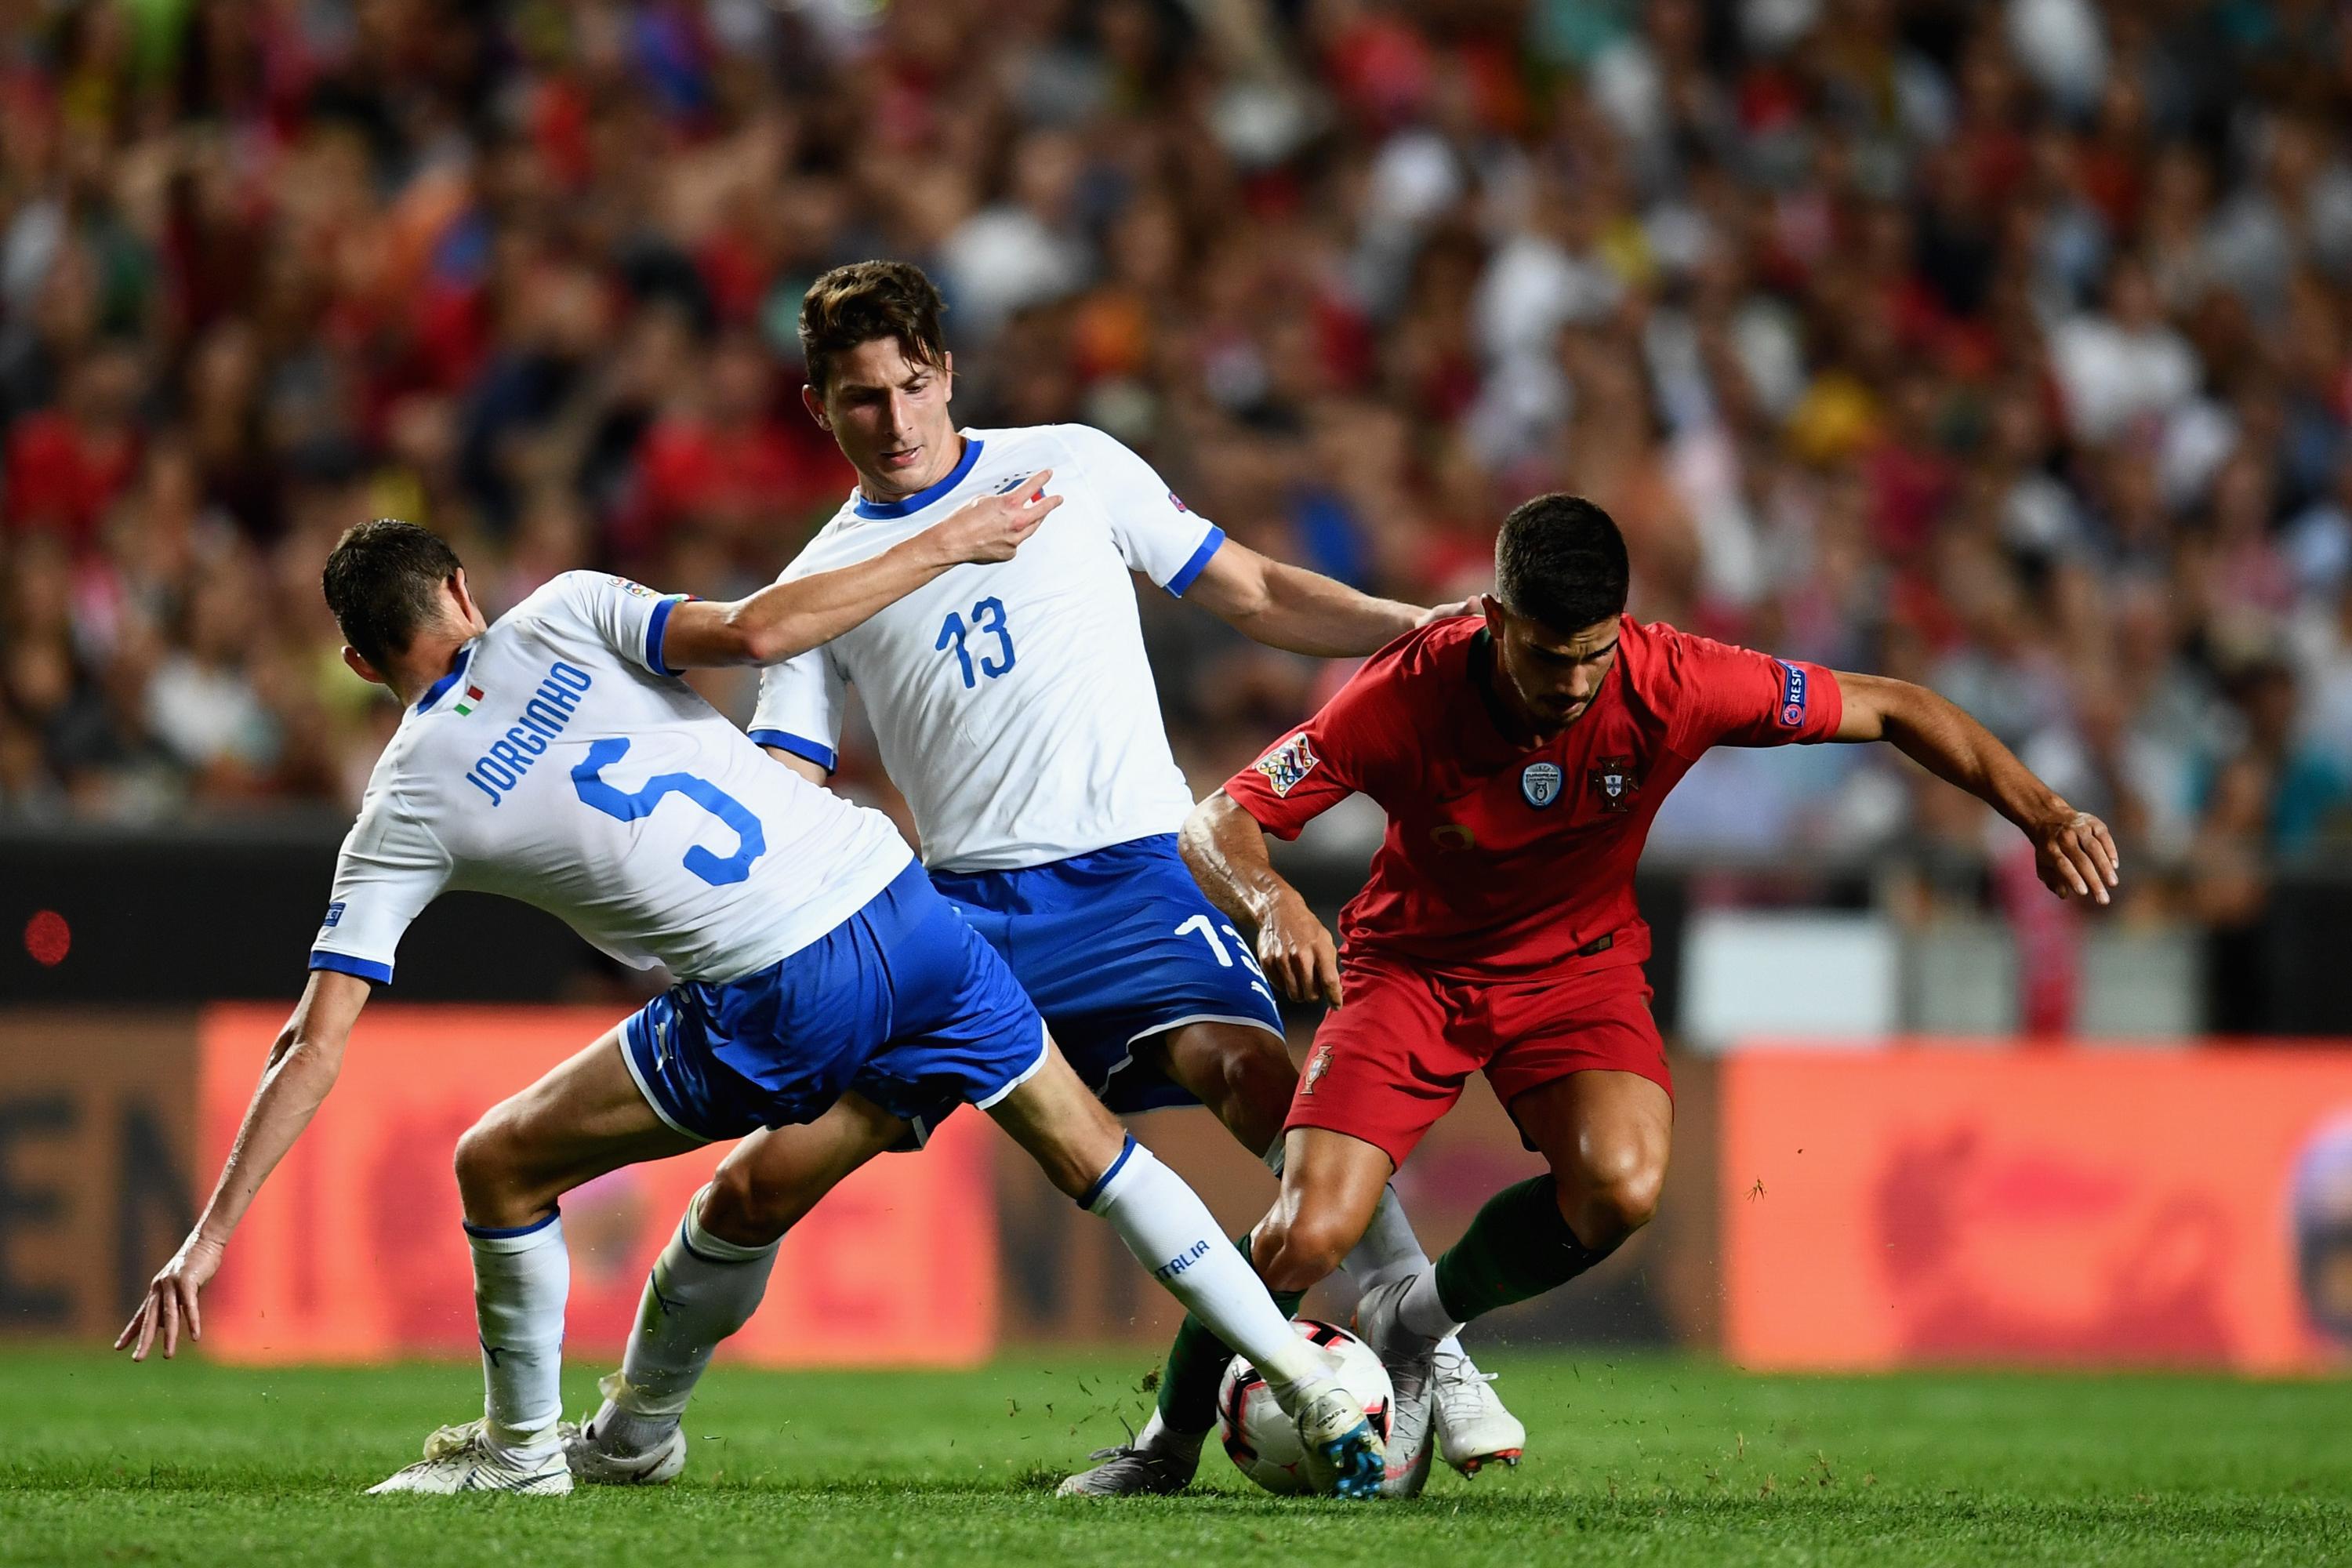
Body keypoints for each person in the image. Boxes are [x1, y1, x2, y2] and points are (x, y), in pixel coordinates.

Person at [114, 505, 1388, 1501]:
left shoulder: (402, 805)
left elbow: (315, 1040)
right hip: (901, 898)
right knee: (1097, 1156)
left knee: (496, 1164)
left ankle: (521, 1451)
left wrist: (209, 1236)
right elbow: (759, 632)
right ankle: (1309, 1387)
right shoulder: (565, 607)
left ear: (353, 658)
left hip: (779, 987)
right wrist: (943, 545)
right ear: (461, 592)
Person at [568, 259, 1523, 1496]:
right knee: (765, 1179)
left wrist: (1420, 629)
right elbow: (786, 783)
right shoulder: (822, 586)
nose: (898, 421)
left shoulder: (1074, 462)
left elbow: (1253, 588)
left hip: (1138, 875)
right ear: (819, 408)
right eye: (863, 399)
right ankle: (638, 1427)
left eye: (914, 385)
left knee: (1252, 1078)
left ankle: (1421, 1336)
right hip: (956, 918)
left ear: (947, 373)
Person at [1134, 493, 2124, 1494]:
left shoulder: (1677, 677)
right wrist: (1271, 905)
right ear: (1493, 615)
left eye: (1592, 653)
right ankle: (1166, 1439)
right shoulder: (1409, 685)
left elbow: (1900, 704)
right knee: (1307, 1233)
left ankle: (1415, 1323)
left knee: (1622, 1187)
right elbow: (1218, 820)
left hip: (1578, 969)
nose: (1572, 681)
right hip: (1412, 968)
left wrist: (2042, 814)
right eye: (1547, 654)